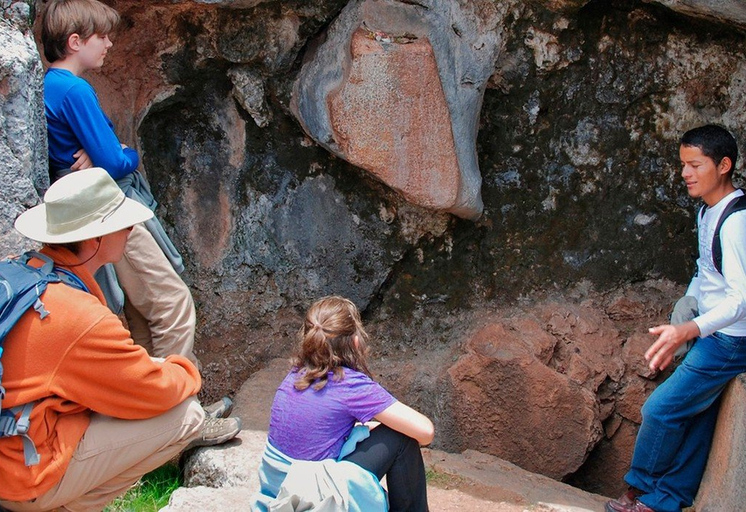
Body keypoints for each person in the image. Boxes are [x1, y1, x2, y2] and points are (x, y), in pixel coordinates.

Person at [40, 0, 237, 429]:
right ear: (75, 41)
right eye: (102, 36)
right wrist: (125, 152)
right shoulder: (73, 89)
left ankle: (146, 418)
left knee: (138, 315)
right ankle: (180, 417)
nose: (110, 43)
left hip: (82, 213)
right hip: (104, 209)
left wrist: (100, 157)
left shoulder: (47, 87)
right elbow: (114, 160)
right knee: (172, 302)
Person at [0, 168, 240, 511]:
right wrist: (184, 370)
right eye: (124, 224)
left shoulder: (21, 272)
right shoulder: (78, 315)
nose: (131, 231)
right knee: (186, 414)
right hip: (23, 476)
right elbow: (154, 391)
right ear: (97, 236)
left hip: (13, 446)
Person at [605, 124, 746, 512]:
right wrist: (689, 300)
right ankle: (668, 500)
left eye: (695, 164)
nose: (685, 173)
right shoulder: (709, 211)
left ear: (724, 165)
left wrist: (688, 329)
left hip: (735, 340)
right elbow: (706, 269)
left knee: (659, 410)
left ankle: (639, 490)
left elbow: (742, 298)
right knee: (695, 417)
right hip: (717, 330)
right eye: (683, 165)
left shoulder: (739, 223)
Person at [254, 296, 435, 512]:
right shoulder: (348, 384)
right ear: (355, 341)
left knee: (378, 430)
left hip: (278, 489)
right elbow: (425, 431)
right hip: (312, 496)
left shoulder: (295, 375)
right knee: (401, 438)